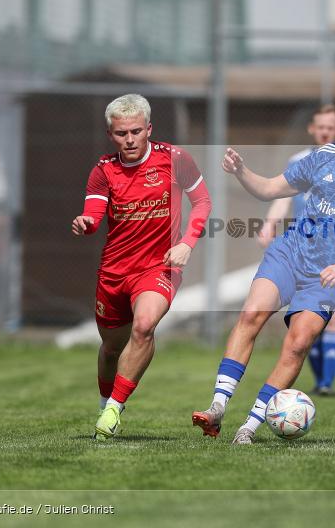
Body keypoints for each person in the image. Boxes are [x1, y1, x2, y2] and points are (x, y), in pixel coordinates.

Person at [192, 92, 335, 444]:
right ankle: (216, 407)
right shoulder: (323, 156)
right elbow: (271, 189)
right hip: (290, 254)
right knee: (251, 314)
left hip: (327, 275)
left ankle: (249, 427)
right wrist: (243, 172)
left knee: (296, 345)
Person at [72, 94, 212, 440]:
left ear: (149, 129)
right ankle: (105, 402)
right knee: (111, 349)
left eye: (136, 131)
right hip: (114, 272)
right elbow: (93, 213)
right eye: (121, 133)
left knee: (145, 326)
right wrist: (86, 224)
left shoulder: (175, 160)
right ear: (110, 134)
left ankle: (114, 410)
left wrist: (186, 244)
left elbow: (203, 202)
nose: (130, 139)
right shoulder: (104, 171)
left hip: (159, 268)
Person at [257, 104, 335, 396]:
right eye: (320, 127)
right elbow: (284, 196)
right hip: (302, 251)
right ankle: (321, 376)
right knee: (305, 318)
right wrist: (270, 223)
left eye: (330, 127)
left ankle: (326, 383)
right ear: (312, 128)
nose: (325, 132)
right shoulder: (298, 160)